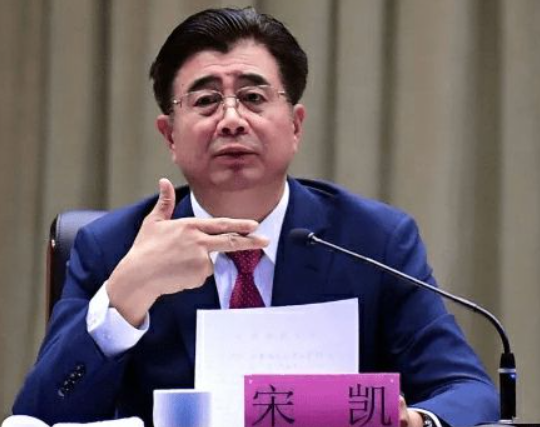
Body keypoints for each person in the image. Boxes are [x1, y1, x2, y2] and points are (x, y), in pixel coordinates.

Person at [13, 7, 499, 427]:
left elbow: (467, 389)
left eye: (253, 97)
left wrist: (416, 421)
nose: (231, 120)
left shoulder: (373, 240)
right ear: (170, 136)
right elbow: (38, 416)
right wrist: (126, 296)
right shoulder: (112, 247)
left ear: (295, 126)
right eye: (206, 101)